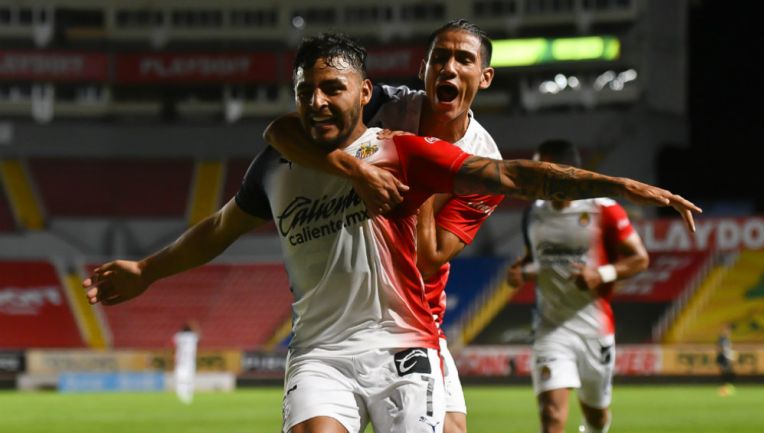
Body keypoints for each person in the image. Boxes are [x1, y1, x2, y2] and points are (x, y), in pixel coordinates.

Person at [84, 33, 700, 433]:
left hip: (410, 335)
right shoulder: (288, 155)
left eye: (332, 89)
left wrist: (615, 185)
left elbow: (512, 177)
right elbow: (229, 212)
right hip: (321, 351)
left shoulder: (413, 152)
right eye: (307, 91)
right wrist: (145, 271)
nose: (318, 102)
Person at [264, 19, 503, 433]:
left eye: (463, 59)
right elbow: (282, 132)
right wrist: (358, 171)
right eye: (439, 58)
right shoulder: (385, 106)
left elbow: (428, 259)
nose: (448, 68)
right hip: (339, 321)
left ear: (484, 77)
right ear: (423, 68)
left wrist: (421, 167)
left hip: (415, 319)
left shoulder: (484, 161)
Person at [506, 139, 652, 433]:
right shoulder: (533, 213)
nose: (535, 177)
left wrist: (602, 274)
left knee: (596, 417)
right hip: (551, 329)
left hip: (593, 330)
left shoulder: (604, 210)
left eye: (541, 170)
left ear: (566, 171)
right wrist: (520, 271)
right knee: (551, 415)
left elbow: (640, 259)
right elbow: (537, 262)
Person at [173, 321, 199, 404]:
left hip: (181, 360)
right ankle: (189, 394)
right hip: (190, 360)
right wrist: (194, 326)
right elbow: (199, 336)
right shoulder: (193, 336)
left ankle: (180, 393)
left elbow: (174, 342)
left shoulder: (179, 336)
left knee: (180, 378)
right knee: (190, 378)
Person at [716, 323, 736, 396]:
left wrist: (731, 356)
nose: (729, 332)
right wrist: (722, 356)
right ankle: (724, 389)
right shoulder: (722, 339)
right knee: (724, 373)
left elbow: (729, 349)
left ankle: (726, 388)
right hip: (723, 357)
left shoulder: (727, 340)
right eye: (727, 331)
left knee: (728, 373)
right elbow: (719, 348)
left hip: (726, 358)